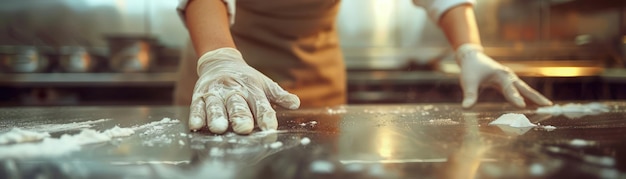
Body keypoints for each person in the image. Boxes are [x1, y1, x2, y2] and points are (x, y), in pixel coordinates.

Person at [174, 0, 553, 134]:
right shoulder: (220, 66)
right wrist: (219, 59)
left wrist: (469, 49)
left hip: (312, 80)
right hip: (221, 77)